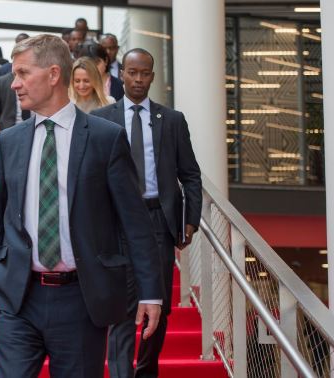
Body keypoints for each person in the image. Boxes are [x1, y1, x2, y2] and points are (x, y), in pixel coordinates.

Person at [0, 34, 163, 378]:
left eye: (23, 74)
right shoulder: (10, 142)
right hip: (17, 297)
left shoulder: (106, 138)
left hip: (81, 300)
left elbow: (136, 225)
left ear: (54, 74)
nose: (14, 84)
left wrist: (151, 293)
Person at [91, 48, 202, 378]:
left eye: (145, 73)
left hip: (157, 221)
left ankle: (146, 369)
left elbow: (191, 174)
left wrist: (190, 220)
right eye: (132, 72)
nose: (138, 79)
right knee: (122, 309)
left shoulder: (172, 120)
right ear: (121, 73)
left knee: (160, 306)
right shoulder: (101, 119)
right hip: (117, 224)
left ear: (152, 76)